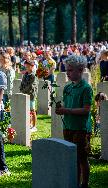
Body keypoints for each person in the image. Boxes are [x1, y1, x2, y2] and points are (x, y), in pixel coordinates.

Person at [55, 55, 93, 188]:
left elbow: (86, 110)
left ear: (81, 70)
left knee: (81, 157)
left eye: (71, 70)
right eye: (67, 70)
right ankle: (74, 182)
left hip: (81, 128)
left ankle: (84, 183)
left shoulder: (86, 88)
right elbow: (67, 106)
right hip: (68, 126)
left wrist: (67, 111)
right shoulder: (67, 88)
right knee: (72, 157)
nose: (68, 73)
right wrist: (60, 109)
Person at [20, 60, 39, 132]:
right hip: (24, 94)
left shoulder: (34, 75)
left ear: (32, 66)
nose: (26, 68)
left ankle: (34, 126)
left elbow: (31, 86)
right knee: (27, 110)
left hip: (31, 95)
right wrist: (21, 89)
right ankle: (29, 123)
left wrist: (24, 91)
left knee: (32, 110)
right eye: (25, 66)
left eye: (27, 66)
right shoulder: (26, 74)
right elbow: (22, 83)